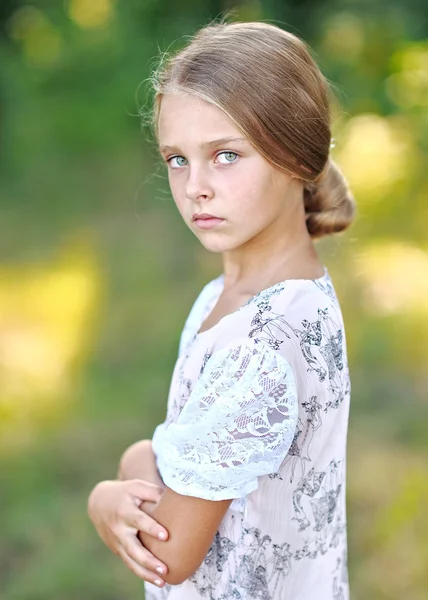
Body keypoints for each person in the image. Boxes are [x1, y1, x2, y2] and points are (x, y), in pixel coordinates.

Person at [87, 19, 356, 600]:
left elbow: (169, 553)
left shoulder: (263, 342)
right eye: (177, 159)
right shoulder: (246, 296)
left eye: (226, 155)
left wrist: (123, 477)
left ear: (295, 156)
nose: (194, 187)